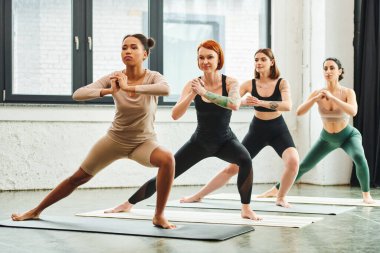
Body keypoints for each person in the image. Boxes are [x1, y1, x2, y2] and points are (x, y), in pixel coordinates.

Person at [11, 34, 176, 229]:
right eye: (124, 48)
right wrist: (109, 90)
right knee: (78, 177)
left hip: (143, 142)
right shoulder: (114, 77)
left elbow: (165, 89)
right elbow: (78, 94)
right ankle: (35, 211)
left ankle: (159, 216)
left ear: (145, 54)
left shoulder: (153, 77)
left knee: (167, 159)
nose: (128, 51)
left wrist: (130, 87)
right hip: (115, 140)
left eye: (133, 47)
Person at [106, 39, 261, 220]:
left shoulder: (230, 83)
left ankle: (246, 209)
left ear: (219, 59)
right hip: (200, 142)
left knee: (246, 160)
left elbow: (234, 104)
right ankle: (128, 204)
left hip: (226, 140)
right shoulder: (193, 84)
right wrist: (193, 94)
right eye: (201, 58)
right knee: (167, 174)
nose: (205, 62)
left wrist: (205, 94)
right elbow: (175, 114)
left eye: (210, 57)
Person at [180, 48, 299, 208]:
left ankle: (280, 196)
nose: (259, 63)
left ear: (272, 62)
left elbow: (288, 106)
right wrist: (240, 101)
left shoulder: (281, 83)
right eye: (256, 60)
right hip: (257, 130)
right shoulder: (249, 84)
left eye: (263, 59)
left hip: (278, 129)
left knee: (293, 162)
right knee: (232, 168)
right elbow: (232, 101)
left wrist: (260, 103)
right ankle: (198, 195)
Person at [259, 57, 375, 204]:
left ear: (339, 71)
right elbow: (299, 112)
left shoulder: (347, 92)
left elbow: (353, 111)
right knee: (303, 166)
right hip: (326, 138)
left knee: (359, 157)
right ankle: (275, 190)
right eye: (325, 68)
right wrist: (314, 99)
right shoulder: (318, 93)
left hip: (348, 136)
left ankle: (366, 195)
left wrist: (333, 98)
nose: (328, 71)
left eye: (332, 68)